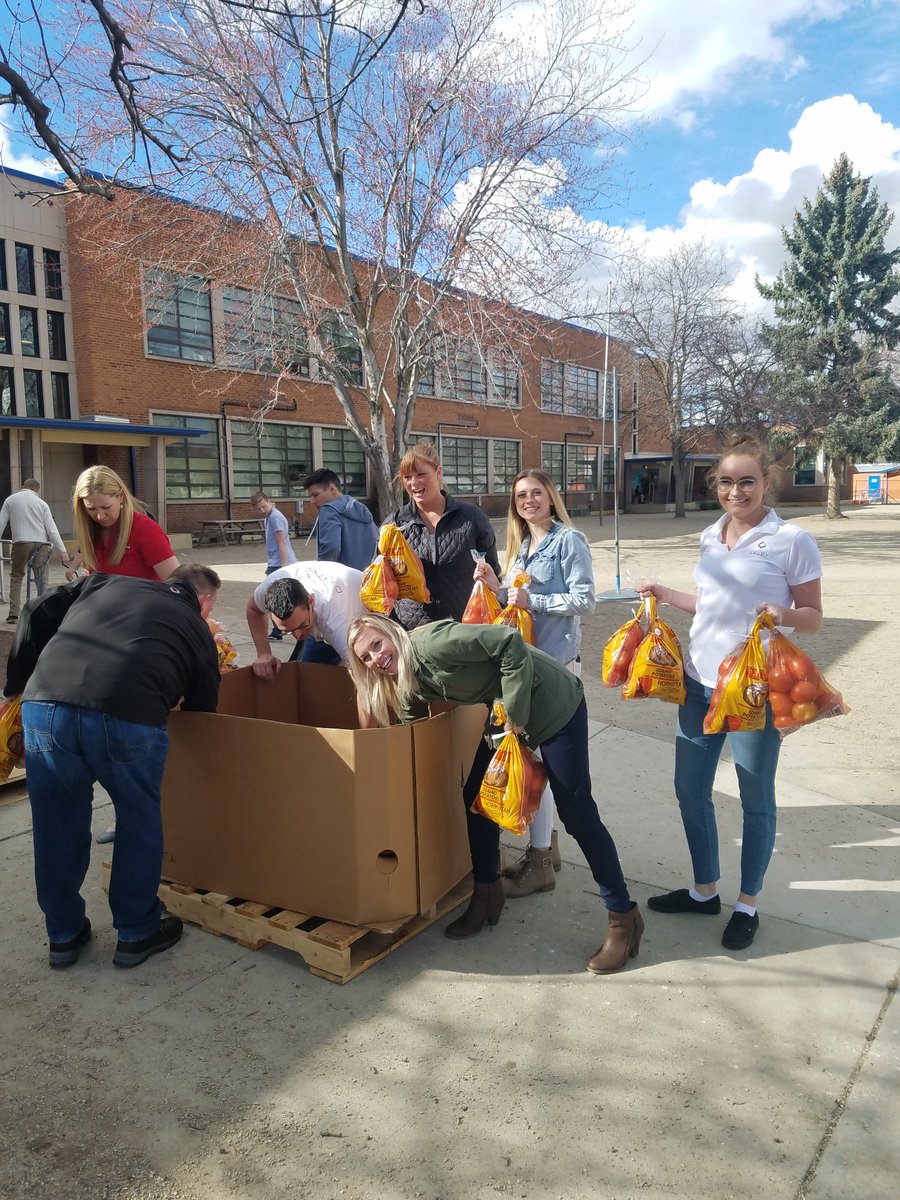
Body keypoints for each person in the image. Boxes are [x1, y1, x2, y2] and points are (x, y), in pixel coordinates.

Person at [347, 613, 643, 974]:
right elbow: (414, 724)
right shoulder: (402, 675)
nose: (375, 658)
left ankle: (622, 917)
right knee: (477, 800)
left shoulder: (432, 645)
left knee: (577, 815)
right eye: (365, 657)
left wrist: (515, 716)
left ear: (390, 632)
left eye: (376, 644)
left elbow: (509, 643)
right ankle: (487, 892)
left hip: (551, 704)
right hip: (505, 717)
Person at [639, 434, 823, 951]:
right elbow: (711, 604)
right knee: (689, 789)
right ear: (714, 484)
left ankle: (747, 903)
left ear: (766, 482)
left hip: (754, 690)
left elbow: (812, 618)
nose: (736, 491)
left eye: (747, 481)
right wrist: (666, 594)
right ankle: (704, 892)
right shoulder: (709, 534)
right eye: (726, 481)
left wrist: (781, 614)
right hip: (698, 683)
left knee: (754, 797)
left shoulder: (791, 539)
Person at [5, 564, 222, 970]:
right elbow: (202, 712)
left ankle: (64, 936)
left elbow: (35, 610)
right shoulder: (196, 629)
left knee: (56, 824)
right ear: (204, 601)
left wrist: (14, 685)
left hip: (45, 704)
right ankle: (136, 934)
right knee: (138, 818)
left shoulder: (102, 582)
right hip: (129, 716)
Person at [475, 469, 595, 897]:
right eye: (521, 495)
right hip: (525, 666)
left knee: (537, 763)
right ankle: (545, 847)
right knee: (531, 757)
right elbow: (514, 598)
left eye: (536, 493)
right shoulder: (523, 546)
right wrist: (495, 585)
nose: (528, 500)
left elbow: (585, 600)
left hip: (556, 669)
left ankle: (540, 858)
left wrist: (534, 599)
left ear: (550, 496)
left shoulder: (568, 541)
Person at [384, 442, 501, 630]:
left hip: (465, 627)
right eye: (407, 477)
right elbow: (382, 579)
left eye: (421, 474)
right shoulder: (394, 525)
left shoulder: (471, 517)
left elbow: (494, 572)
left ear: (438, 473)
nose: (413, 482)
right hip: (413, 633)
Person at [246, 560, 366, 677]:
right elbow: (253, 609)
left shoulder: (335, 624)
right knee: (308, 680)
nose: (298, 636)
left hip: (367, 609)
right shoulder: (268, 590)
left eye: (301, 626)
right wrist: (264, 654)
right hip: (321, 612)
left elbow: (364, 673)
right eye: (287, 631)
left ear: (311, 601)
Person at [65, 465, 179, 582]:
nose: (100, 516)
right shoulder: (92, 530)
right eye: (91, 509)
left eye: (106, 507)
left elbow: (179, 586)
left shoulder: (145, 529)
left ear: (121, 496)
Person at [0, 478, 70, 622]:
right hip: (41, 543)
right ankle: (43, 610)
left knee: (16, 576)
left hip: (21, 541)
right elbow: (52, 529)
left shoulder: (11, 500)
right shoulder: (42, 503)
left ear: (22, 487)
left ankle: (13, 614)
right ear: (36, 490)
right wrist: (63, 551)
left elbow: (1, 522)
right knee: (42, 577)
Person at [303, 468, 377, 571]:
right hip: (371, 578)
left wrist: (322, 573)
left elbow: (330, 548)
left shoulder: (328, 510)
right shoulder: (361, 509)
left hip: (342, 580)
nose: (312, 501)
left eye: (315, 495)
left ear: (332, 489)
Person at [251, 490, 297, 642]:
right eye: (258, 509)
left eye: (263, 506)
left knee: (270, 596)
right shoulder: (270, 516)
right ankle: (283, 628)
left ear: (269, 501)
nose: (262, 510)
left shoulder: (275, 517)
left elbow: (282, 543)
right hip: (276, 562)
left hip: (279, 563)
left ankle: (278, 631)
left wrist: (283, 568)